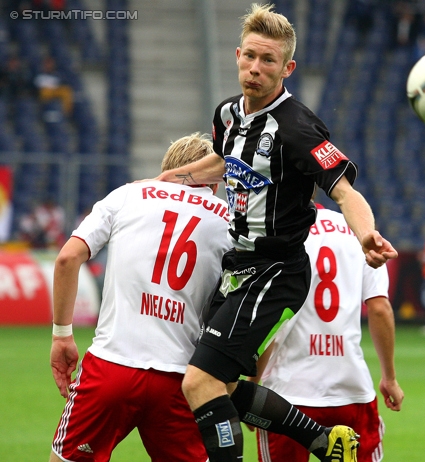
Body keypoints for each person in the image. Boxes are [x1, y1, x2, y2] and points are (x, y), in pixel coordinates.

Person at [154, 4, 398, 462]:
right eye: (250, 56)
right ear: (237, 55)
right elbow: (226, 160)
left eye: (268, 61)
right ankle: (326, 444)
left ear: (288, 68)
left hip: (277, 272)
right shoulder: (227, 115)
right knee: (219, 388)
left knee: (198, 383)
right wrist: (175, 178)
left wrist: (366, 234)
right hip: (237, 268)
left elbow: (345, 192)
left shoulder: (299, 128)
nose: (255, 68)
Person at [49, 133, 231, 461]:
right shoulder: (229, 221)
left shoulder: (128, 195)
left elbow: (66, 258)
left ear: (167, 168)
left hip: (111, 368)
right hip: (179, 378)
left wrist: (62, 335)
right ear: (214, 182)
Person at [252, 203, 404, 461]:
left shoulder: (276, 233)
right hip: (351, 387)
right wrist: (389, 377)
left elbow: (271, 320)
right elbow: (380, 309)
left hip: (288, 393)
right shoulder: (358, 228)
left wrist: (253, 386)